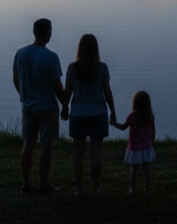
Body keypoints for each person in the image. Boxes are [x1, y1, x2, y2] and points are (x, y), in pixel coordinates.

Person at [12, 18, 66, 193]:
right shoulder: (51, 57)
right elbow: (58, 87)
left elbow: (16, 79)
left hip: (28, 107)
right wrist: (66, 104)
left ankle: (26, 183)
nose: (51, 33)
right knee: (46, 146)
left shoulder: (20, 53)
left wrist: (24, 96)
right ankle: (43, 185)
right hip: (48, 108)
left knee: (28, 143)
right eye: (51, 31)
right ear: (47, 33)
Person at [60, 33, 116, 196]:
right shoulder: (102, 68)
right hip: (98, 114)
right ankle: (95, 188)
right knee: (96, 154)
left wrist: (65, 109)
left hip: (78, 115)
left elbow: (68, 92)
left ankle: (78, 189)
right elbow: (108, 93)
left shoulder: (72, 67)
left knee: (78, 153)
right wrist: (113, 112)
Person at [111, 90, 156, 194]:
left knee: (134, 169)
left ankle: (132, 189)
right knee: (146, 169)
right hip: (146, 146)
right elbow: (153, 130)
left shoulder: (132, 117)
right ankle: (147, 189)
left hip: (135, 147)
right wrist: (152, 141)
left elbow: (123, 127)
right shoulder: (150, 116)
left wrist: (114, 124)